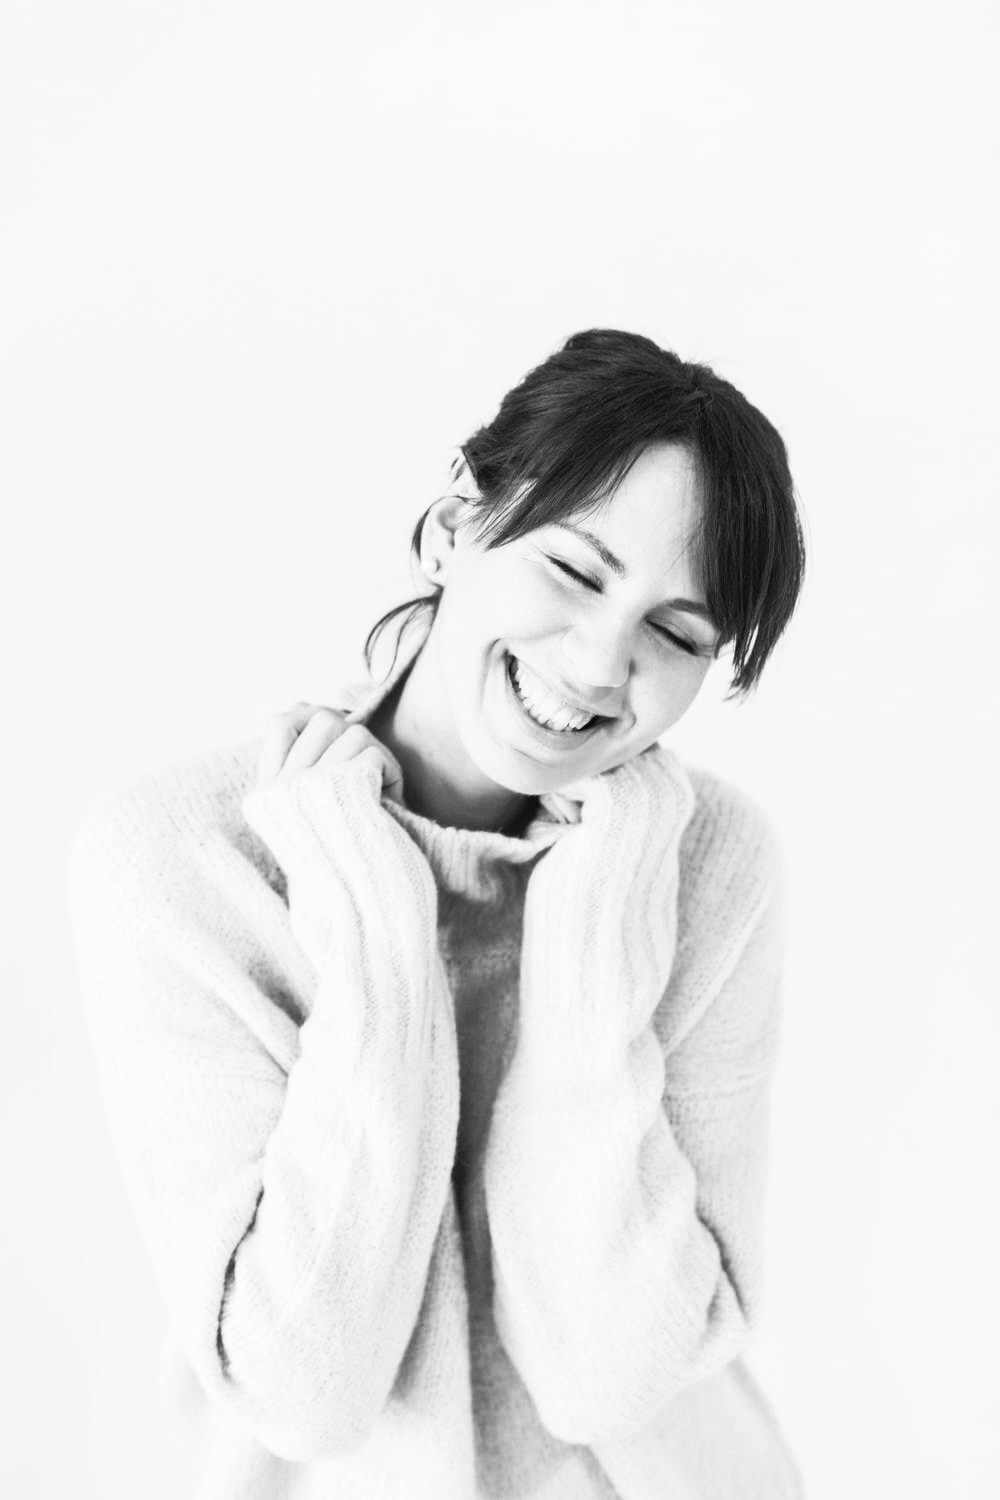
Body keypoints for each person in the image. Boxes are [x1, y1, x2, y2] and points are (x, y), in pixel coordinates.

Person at [69, 328, 808, 1498]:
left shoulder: (707, 862)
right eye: (575, 572)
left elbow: (608, 1378)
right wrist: (378, 932)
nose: (599, 666)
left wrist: (597, 936)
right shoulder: (182, 861)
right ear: (458, 522)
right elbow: (305, 1391)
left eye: (675, 633)